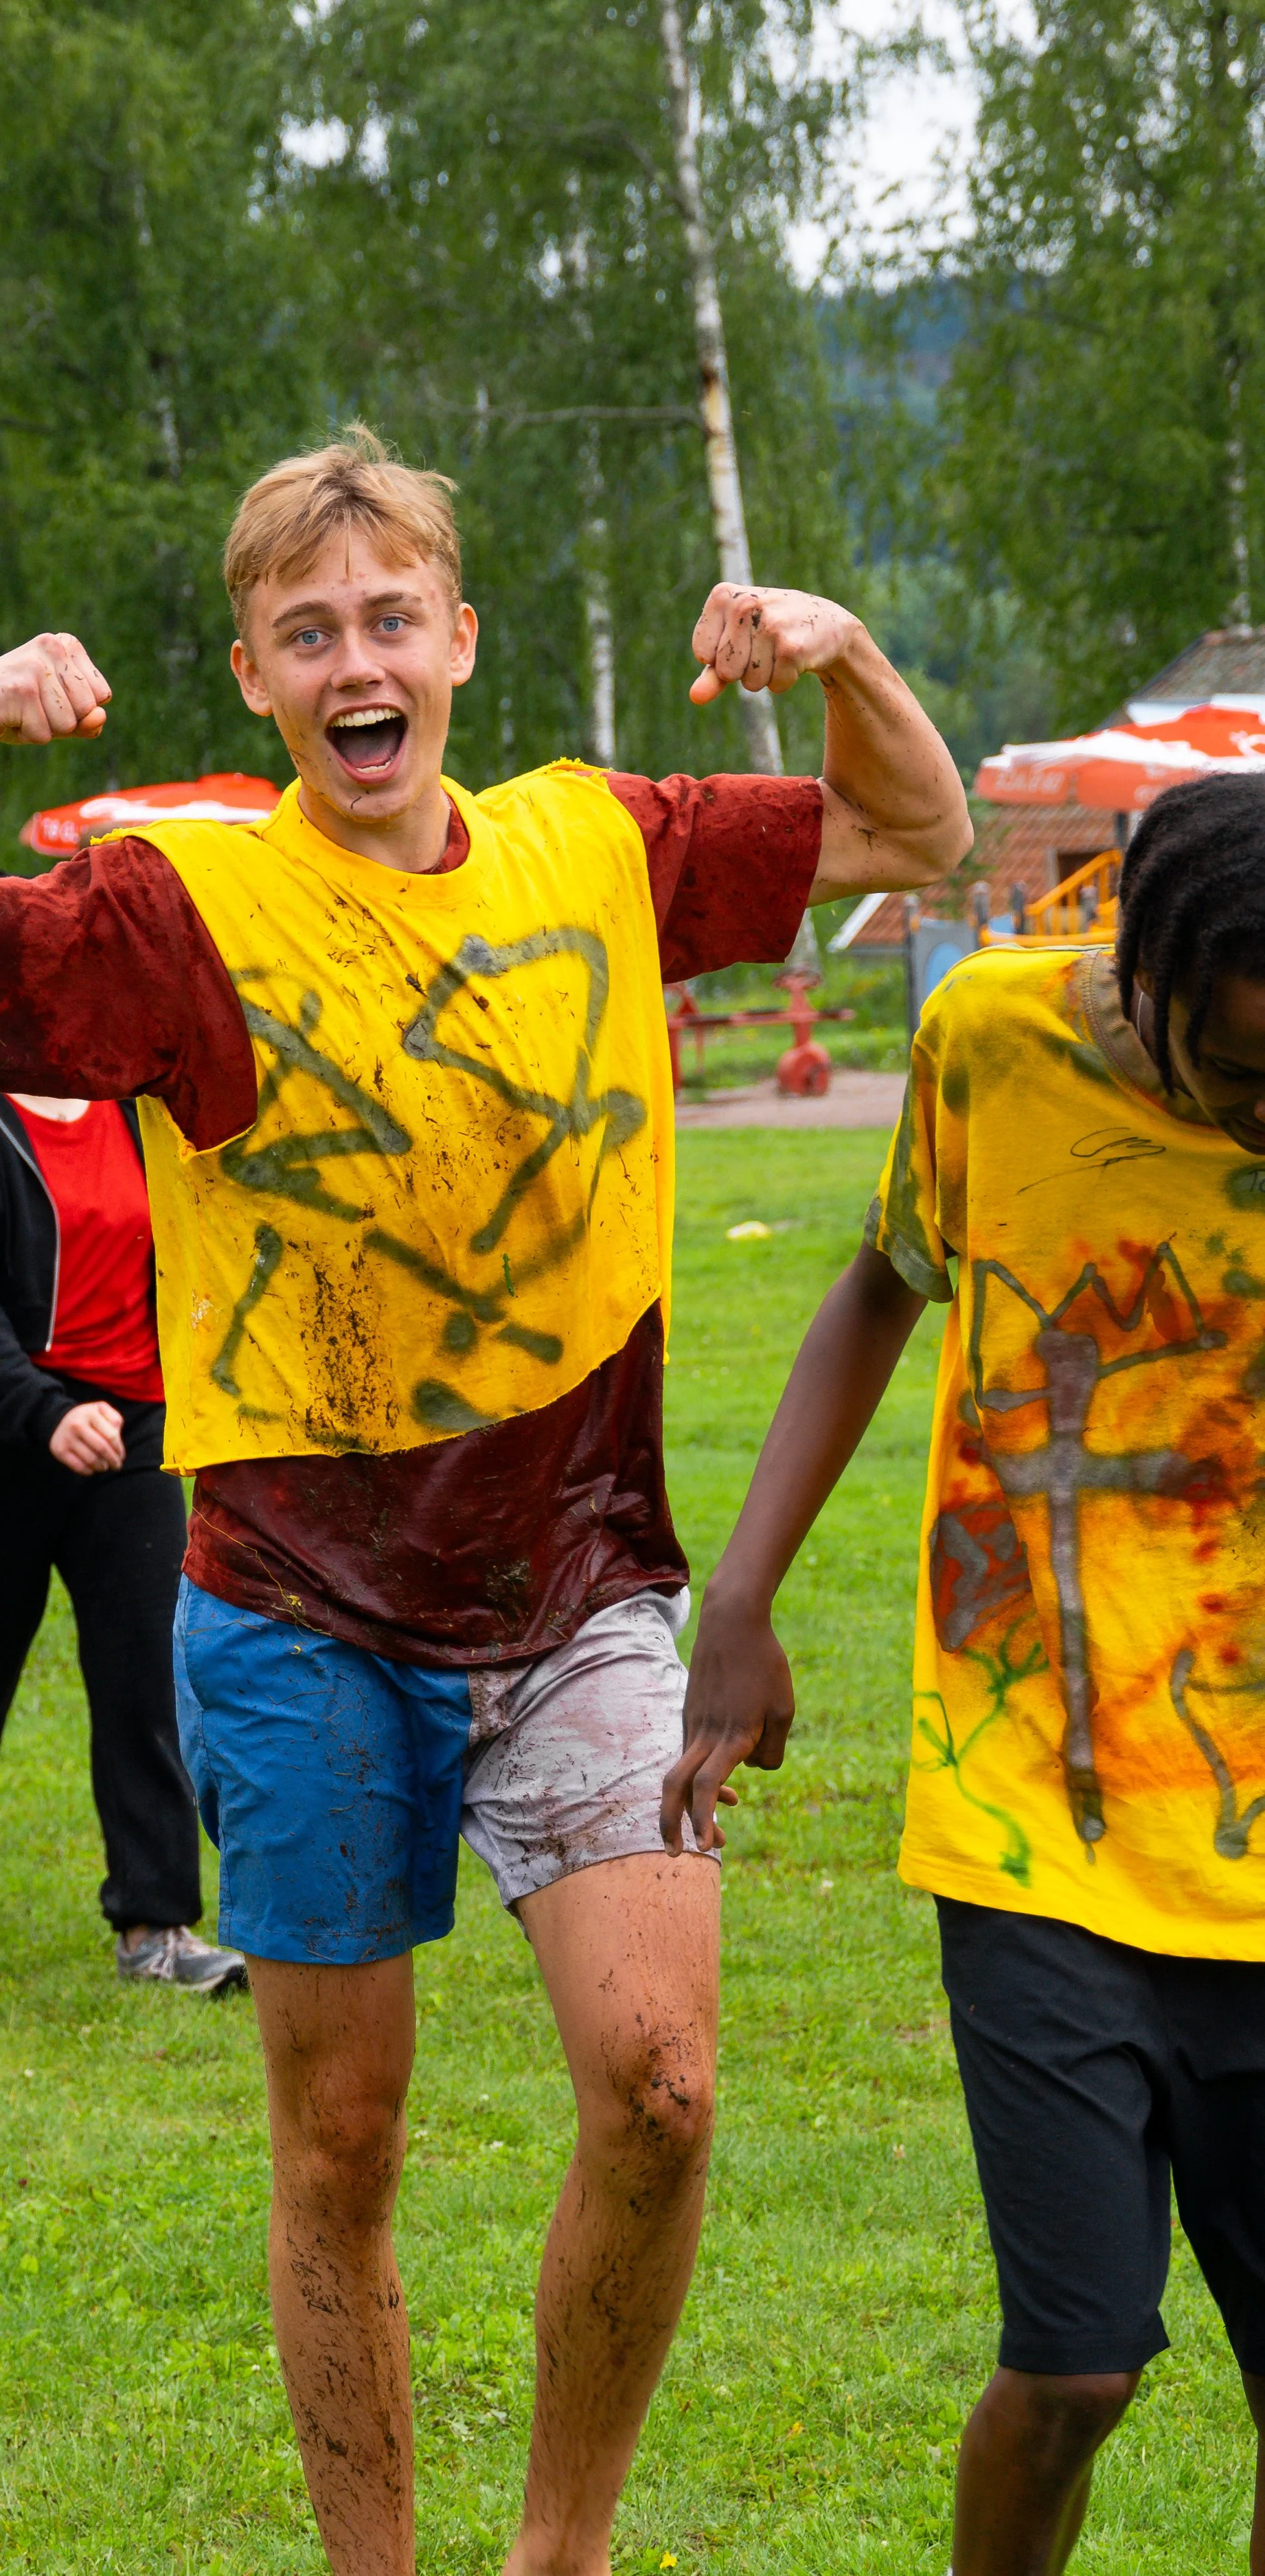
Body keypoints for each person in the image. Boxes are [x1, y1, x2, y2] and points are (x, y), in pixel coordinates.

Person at [0, 426, 968, 2574]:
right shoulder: (176, 910)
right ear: (253, 675)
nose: (355, 660)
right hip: (298, 1600)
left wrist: (846, 645)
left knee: (661, 2086)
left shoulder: (595, 841)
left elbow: (916, 826)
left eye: (387, 616)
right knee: (338, 2141)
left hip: (578, 1573)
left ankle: (556, 2550)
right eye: (308, 632)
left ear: (457, 640)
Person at [665, 771, 1265, 2576]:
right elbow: (879, 1282)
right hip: (1032, 1822)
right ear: (1143, 976)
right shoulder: (991, 1037)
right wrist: (742, 1597)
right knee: (1075, 2360)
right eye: (1237, 1071)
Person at [0, 1067, 247, 1996]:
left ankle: (158, 1925)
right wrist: (42, 1413)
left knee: (147, 1669)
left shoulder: (142, 1112)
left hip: (130, 1429)